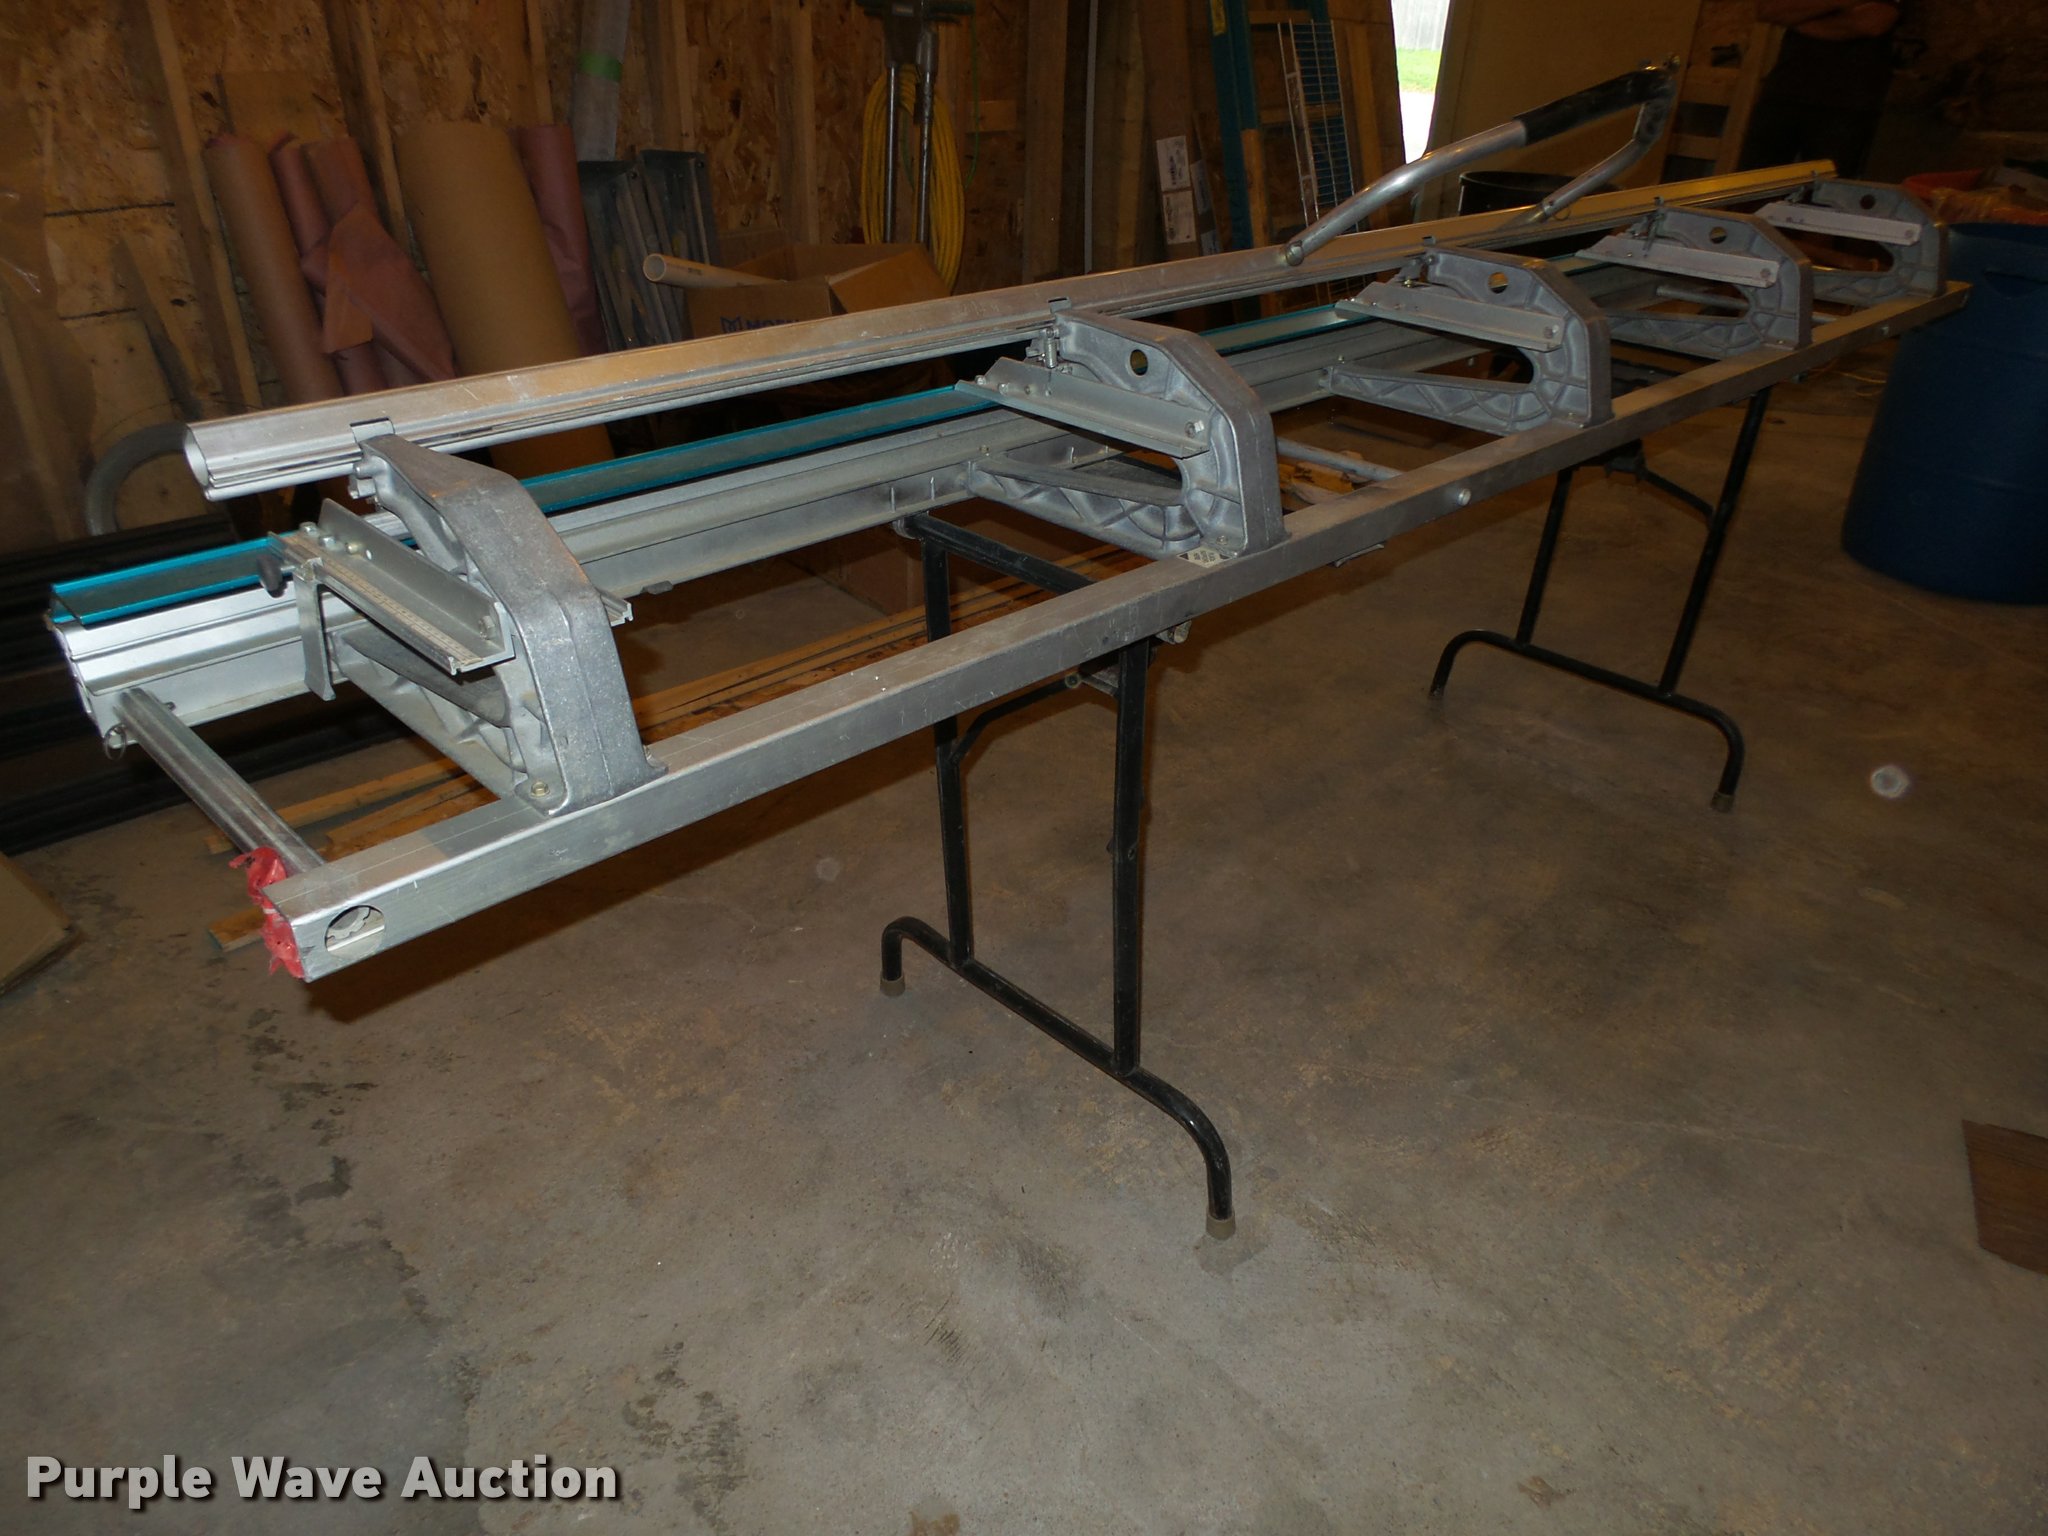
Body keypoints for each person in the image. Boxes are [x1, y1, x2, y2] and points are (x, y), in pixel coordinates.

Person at [1739, 0, 1902, 177]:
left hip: (1848, 105)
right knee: (1753, 184)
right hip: (1784, 91)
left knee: (1829, 189)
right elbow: (1769, 9)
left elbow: (1872, 23)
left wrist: (1801, 19)